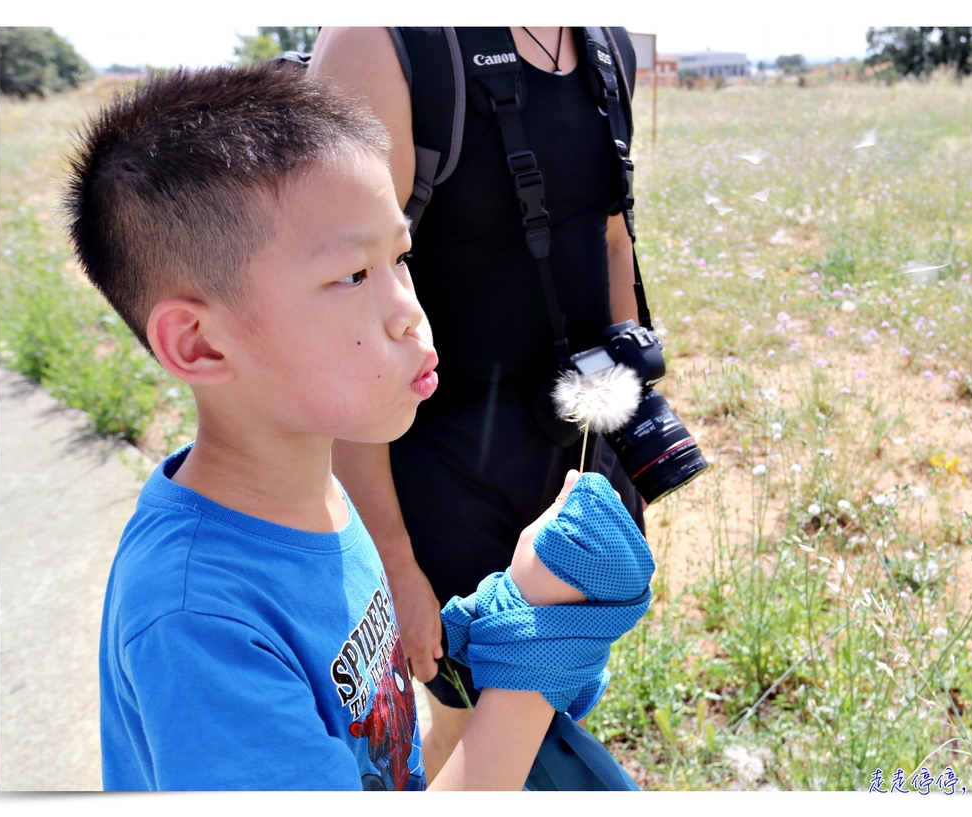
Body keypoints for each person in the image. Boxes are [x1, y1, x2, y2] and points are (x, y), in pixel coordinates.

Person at [69, 62, 640, 790]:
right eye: (352, 276)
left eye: (400, 257)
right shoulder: (197, 622)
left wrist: (500, 616)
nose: (409, 308)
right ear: (200, 344)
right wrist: (535, 651)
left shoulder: (315, 487)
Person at [308, 27, 646, 775]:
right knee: (473, 719)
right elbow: (339, 304)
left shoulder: (607, 43)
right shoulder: (384, 42)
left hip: (570, 457)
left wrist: (630, 424)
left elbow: (613, 234)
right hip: (437, 480)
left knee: (552, 699)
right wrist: (391, 560)